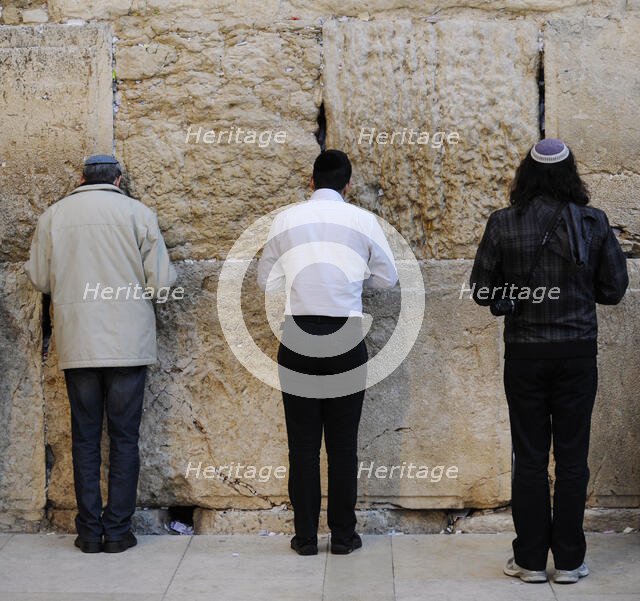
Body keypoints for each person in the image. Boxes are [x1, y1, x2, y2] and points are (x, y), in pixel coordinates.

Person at [470, 139, 628, 583]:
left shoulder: (503, 223)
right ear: (570, 174)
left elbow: (483, 290)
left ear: (527, 173)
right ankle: (572, 561)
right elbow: (614, 290)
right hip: (577, 353)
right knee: (574, 457)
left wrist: (515, 294)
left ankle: (531, 560)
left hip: (525, 356)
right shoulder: (594, 222)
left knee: (531, 456)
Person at [25, 155, 176, 553]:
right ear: (119, 180)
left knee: (85, 438)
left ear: (80, 178)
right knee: (125, 439)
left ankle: (89, 533)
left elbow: (39, 278)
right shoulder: (139, 213)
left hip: (79, 344)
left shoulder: (53, 217)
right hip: (128, 345)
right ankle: (119, 532)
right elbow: (161, 283)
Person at [258, 150, 398, 556]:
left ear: (311, 180)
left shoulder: (286, 219)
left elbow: (266, 278)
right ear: (348, 185)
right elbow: (387, 278)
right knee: (342, 446)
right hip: (346, 335)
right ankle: (342, 535)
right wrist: (352, 282)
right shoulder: (363, 220)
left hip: (299, 334)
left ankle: (304, 538)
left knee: (301, 446)